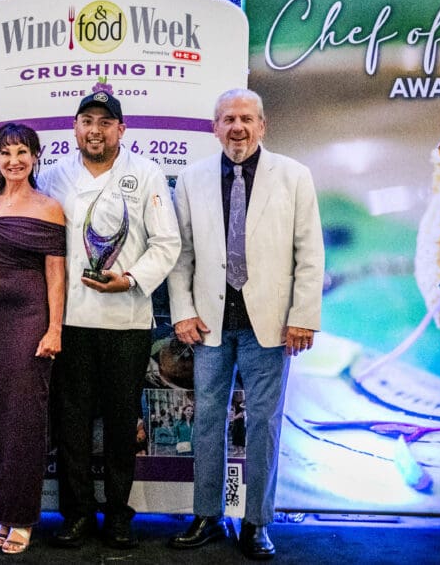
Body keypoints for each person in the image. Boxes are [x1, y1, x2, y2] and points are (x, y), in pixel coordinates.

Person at [167, 88, 324, 560]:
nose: (237, 127)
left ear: (262, 125)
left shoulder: (294, 176)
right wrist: (183, 312)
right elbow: (183, 256)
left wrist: (303, 318)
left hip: (271, 326)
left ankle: (256, 522)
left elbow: (310, 253)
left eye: (246, 119)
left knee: (265, 426)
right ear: (214, 127)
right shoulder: (191, 178)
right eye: (228, 119)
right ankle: (207, 515)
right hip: (211, 323)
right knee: (207, 424)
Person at [38, 81, 181, 549]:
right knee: (72, 422)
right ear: (74, 129)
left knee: (122, 423)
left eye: (104, 122)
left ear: (122, 129)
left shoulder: (147, 174)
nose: (94, 130)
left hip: (127, 320)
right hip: (71, 322)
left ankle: (119, 513)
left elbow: (167, 244)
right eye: (86, 122)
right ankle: (76, 514)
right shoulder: (55, 176)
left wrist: (131, 279)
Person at [0, 123, 66, 555]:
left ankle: (22, 518)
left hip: (30, 319)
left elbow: (55, 274)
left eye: (22, 152)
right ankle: (1, 513)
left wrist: (54, 328)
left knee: (25, 420)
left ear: (36, 156)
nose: (14, 161)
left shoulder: (50, 208)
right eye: (5, 153)